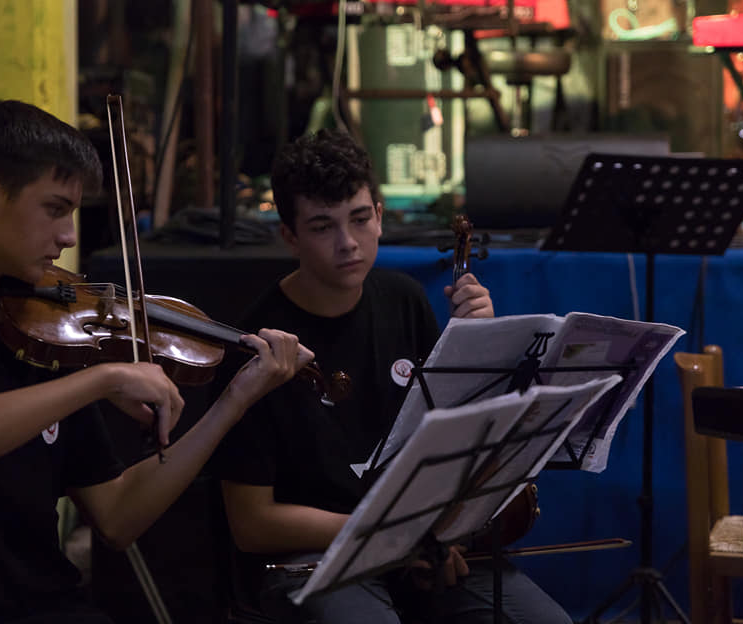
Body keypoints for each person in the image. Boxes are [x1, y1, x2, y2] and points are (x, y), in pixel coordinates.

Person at [0, 100, 312, 622]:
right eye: (55, 209)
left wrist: (232, 403)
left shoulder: (40, 330)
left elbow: (117, 515)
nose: (69, 235)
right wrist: (101, 379)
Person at [215, 129, 572, 623]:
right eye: (322, 227)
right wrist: (392, 537)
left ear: (380, 217)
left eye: (360, 219)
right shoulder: (260, 344)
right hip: (317, 556)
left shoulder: (404, 300)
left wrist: (482, 345)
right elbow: (252, 524)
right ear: (289, 237)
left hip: (413, 546)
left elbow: (451, 450)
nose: (347, 243)